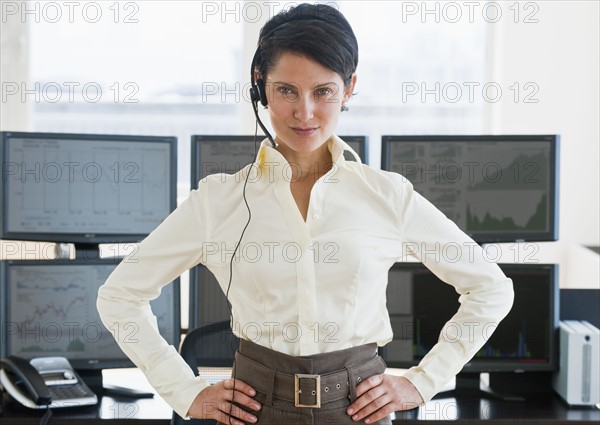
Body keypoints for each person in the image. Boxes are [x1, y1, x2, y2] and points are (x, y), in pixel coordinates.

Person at [97, 3, 514, 424]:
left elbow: (490, 289)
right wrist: (183, 391)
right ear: (261, 87)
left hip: (359, 409)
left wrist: (423, 381)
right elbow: (120, 296)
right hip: (254, 410)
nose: (305, 112)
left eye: (323, 91)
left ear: (349, 88)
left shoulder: (386, 195)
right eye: (286, 91)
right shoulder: (218, 201)